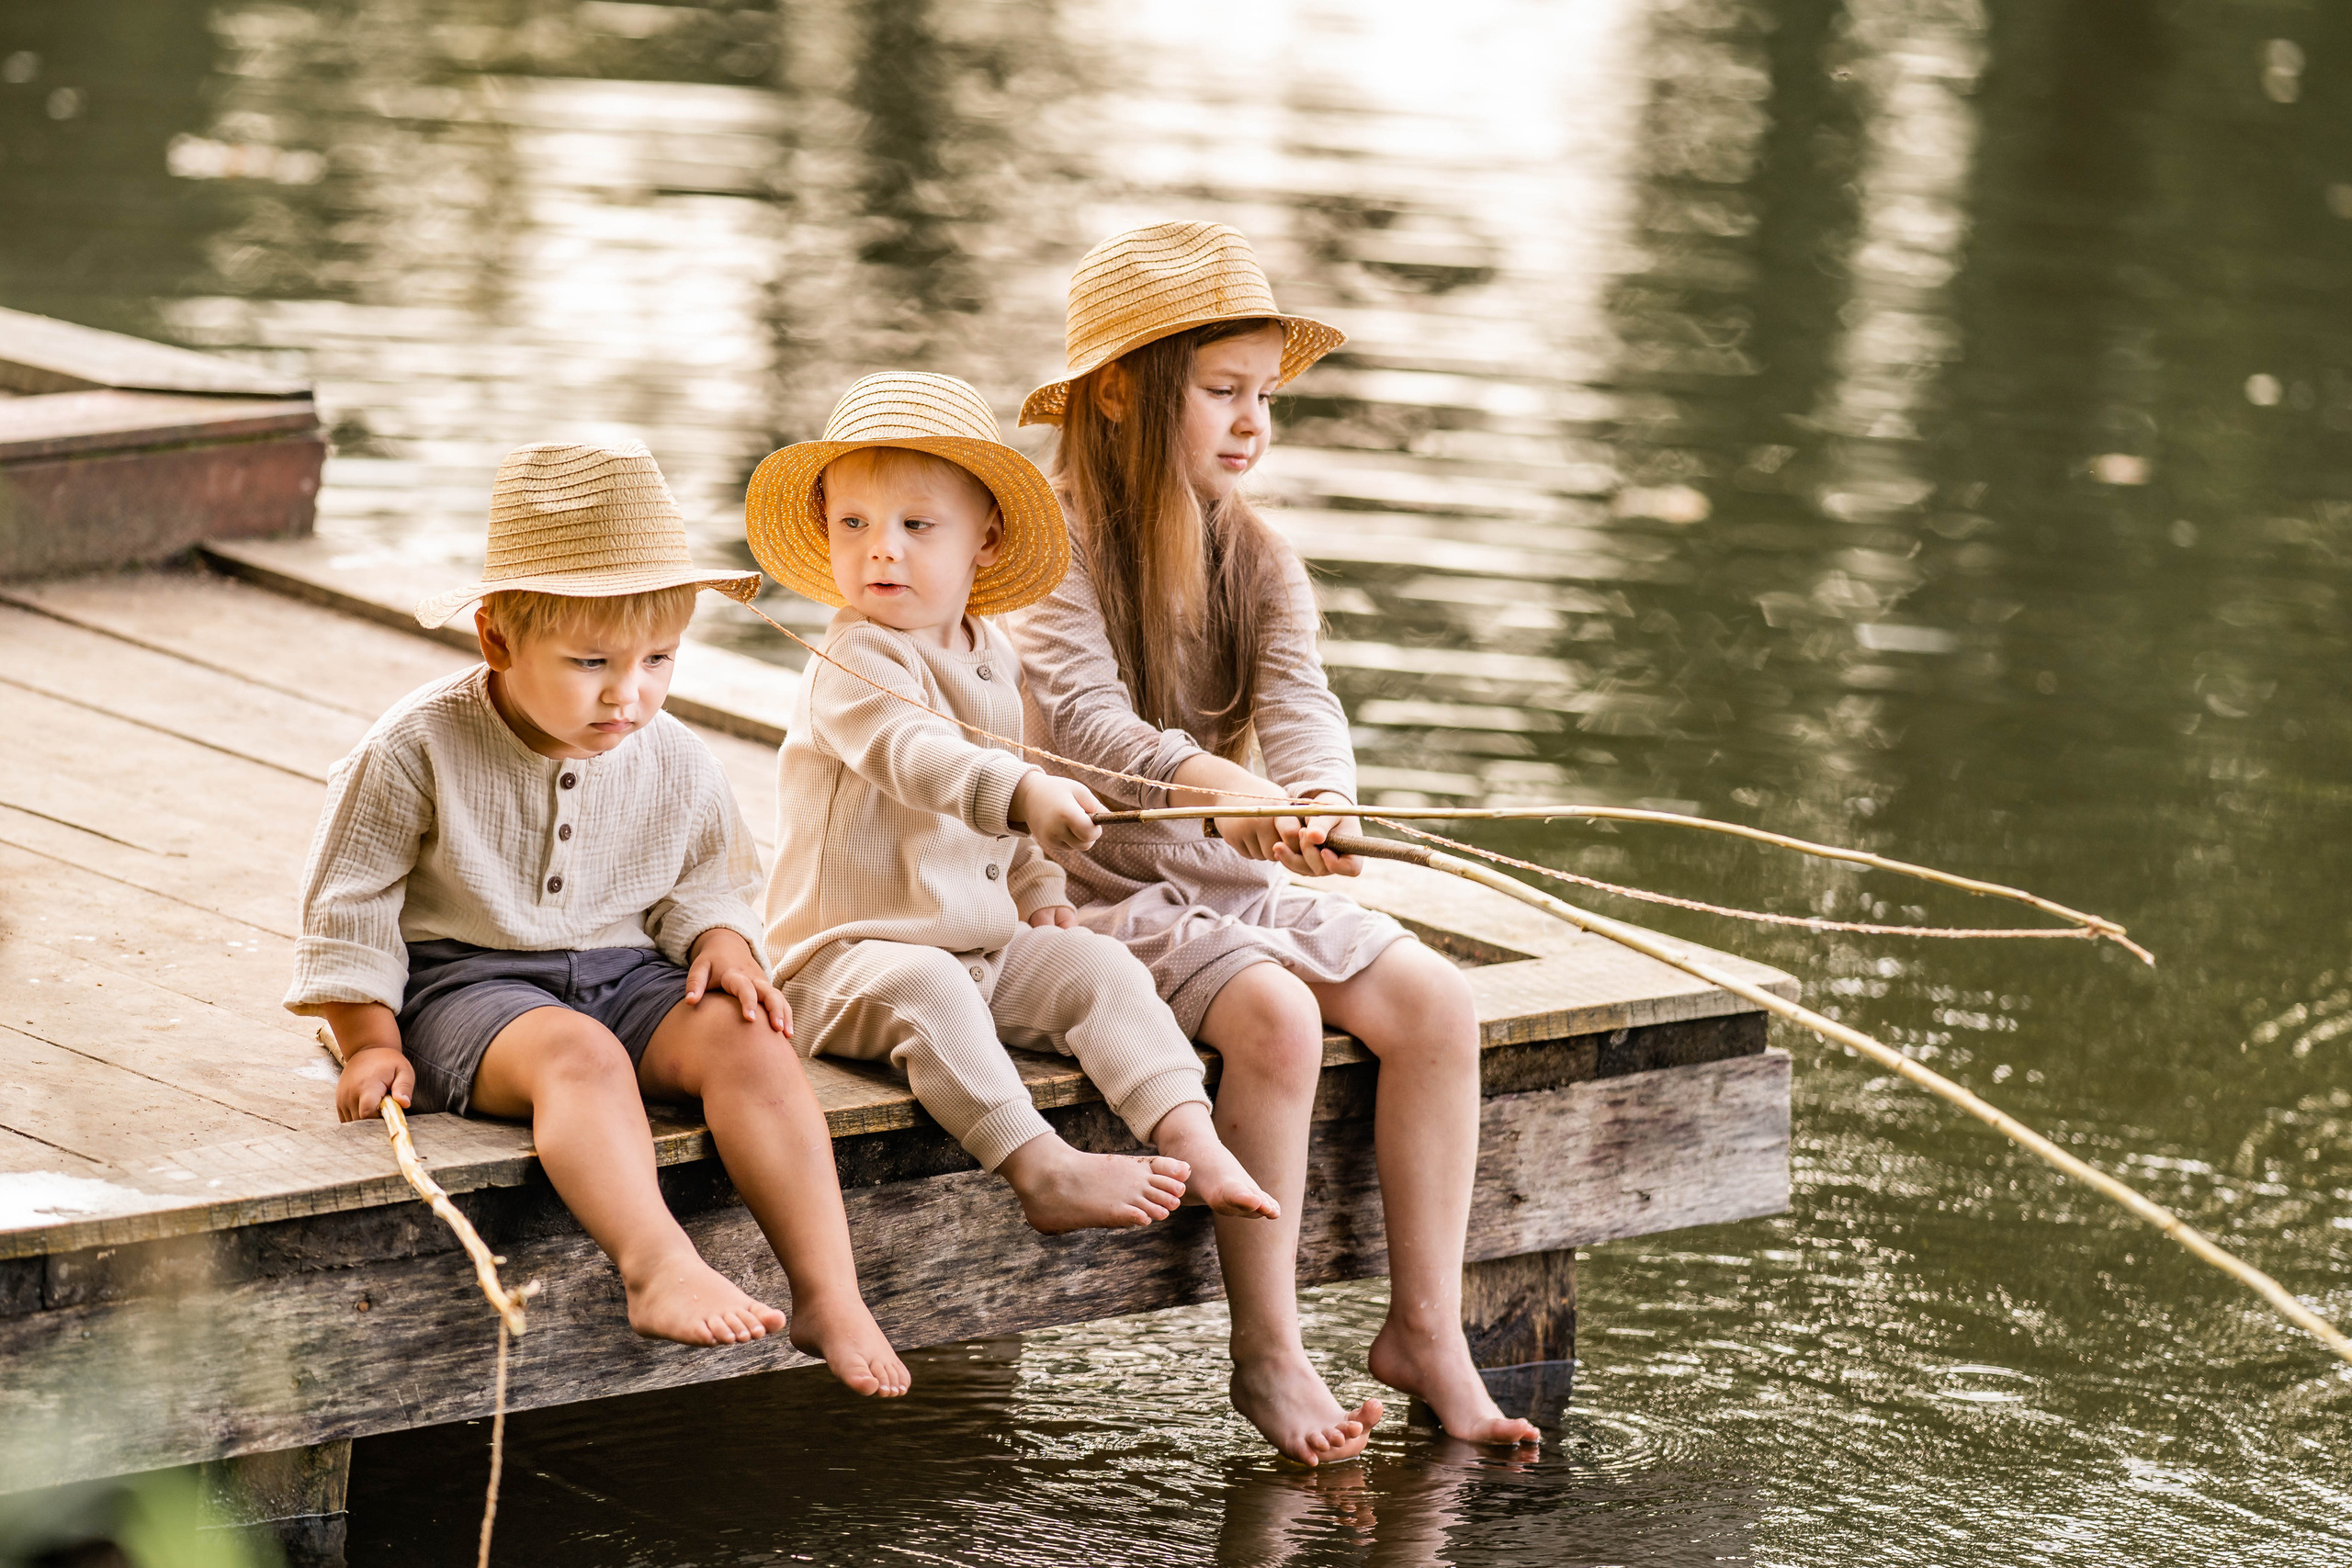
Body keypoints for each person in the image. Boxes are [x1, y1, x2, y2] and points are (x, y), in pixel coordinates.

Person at [1009, 221, 1545, 1461]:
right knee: (1278, 1017)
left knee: (1436, 1003)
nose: (1253, 422)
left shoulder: (1255, 550)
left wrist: (1316, 799)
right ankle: (1268, 1347)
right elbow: (1086, 729)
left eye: (1265, 396)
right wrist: (1217, 786)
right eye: (1222, 392)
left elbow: (1301, 697)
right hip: (1086, 886)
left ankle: (1425, 1326)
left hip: (1220, 869)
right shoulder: (1047, 549)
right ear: (1119, 394)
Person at [289, 440, 908, 1395]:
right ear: (497, 640)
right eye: (591, 663)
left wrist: (721, 942)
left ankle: (829, 1290)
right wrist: (369, 1038)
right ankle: (654, 1263)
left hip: (624, 968)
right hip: (470, 985)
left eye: (658, 658)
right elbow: (351, 898)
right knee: (581, 1057)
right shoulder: (418, 745)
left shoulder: (672, 754)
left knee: (749, 1037)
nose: (630, 693)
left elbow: (708, 874)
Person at [742, 371, 1280, 1235]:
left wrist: (1043, 893)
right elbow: (920, 758)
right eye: (854, 524)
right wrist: (1025, 794)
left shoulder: (993, 654)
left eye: (917, 526)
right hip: (848, 963)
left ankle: (1192, 1132)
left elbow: (1008, 805)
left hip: (979, 947)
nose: (882, 548)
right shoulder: (852, 662)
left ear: (985, 541)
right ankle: (1041, 1165)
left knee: (1102, 969)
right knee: (928, 988)